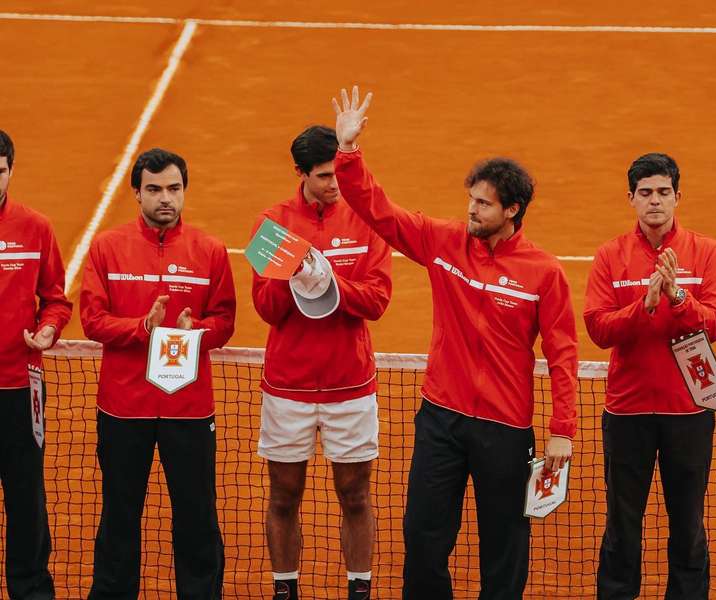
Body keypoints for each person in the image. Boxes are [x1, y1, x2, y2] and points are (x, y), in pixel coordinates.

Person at [331, 86, 578, 599]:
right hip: (441, 418)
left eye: (483, 204)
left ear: (512, 210)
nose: (471, 209)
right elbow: (381, 213)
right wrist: (349, 153)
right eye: (471, 198)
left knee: (504, 544)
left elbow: (562, 355)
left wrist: (562, 430)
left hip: (505, 429)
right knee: (422, 536)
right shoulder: (444, 242)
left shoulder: (544, 273)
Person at [81, 148, 236, 599]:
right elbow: (92, 319)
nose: (164, 198)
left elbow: (225, 320)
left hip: (187, 409)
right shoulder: (108, 247)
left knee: (196, 515)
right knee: (120, 515)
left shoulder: (209, 251)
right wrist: (142, 329)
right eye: (154, 189)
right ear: (137, 193)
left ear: (184, 191)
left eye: (173, 188)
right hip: (123, 409)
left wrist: (197, 333)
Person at [251, 125, 391, 600]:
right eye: (324, 176)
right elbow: (267, 310)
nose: (335, 183)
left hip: (349, 385)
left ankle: (359, 590)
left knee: (355, 495)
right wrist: (290, 275)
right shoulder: (273, 223)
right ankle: (285, 590)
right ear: (301, 173)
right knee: (285, 495)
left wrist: (327, 280)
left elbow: (377, 300)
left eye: (337, 173)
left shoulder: (364, 217)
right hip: (287, 387)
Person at [584, 153, 716, 599]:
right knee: (622, 527)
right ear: (631, 199)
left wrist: (677, 296)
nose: (655, 201)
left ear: (677, 196)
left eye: (663, 192)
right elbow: (597, 328)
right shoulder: (610, 256)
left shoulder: (706, 252)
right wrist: (643, 306)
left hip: (688, 411)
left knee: (688, 525)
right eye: (645, 193)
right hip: (628, 412)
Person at [0, 129, 72, 600]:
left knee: (26, 496)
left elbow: (56, 300)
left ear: (9, 170)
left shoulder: (35, 228)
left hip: (19, 389)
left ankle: (29, 589)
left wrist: (48, 329)